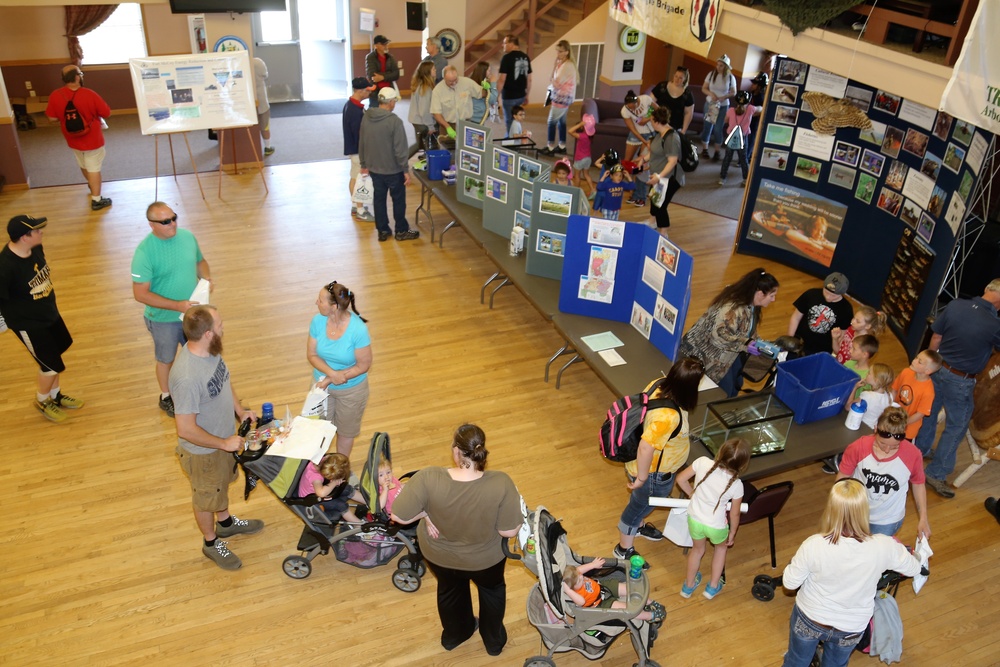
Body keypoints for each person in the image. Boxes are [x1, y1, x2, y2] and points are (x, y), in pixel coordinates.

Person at [391, 424, 523, 656]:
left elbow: (398, 516)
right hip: (486, 561)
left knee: (450, 592)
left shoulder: (428, 477)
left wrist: (425, 514)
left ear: (455, 451)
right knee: (492, 592)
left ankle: (455, 635)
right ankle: (493, 643)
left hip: (441, 558)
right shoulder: (501, 482)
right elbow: (509, 532)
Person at [780, 479, 921, 667]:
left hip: (810, 619)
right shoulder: (884, 545)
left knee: (796, 661)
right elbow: (914, 568)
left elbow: (789, 584)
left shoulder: (814, 544)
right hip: (851, 627)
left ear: (831, 508)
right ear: (864, 509)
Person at [170, 305, 263, 571]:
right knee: (206, 497)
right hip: (204, 453)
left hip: (223, 441)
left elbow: (224, 380)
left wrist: (240, 410)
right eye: (220, 324)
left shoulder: (210, 350)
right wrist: (223, 443)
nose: (224, 327)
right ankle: (210, 542)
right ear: (208, 333)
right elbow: (185, 429)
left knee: (221, 487)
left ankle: (225, 524)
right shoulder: (187, 376)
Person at [613, 357, 705, 566]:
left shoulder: (658, 383)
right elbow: (646, 447)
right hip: (652, 474)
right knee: (637, 507)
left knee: (640, 503)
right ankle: (623, 548)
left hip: (644, 467)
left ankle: (637, 526)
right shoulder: (668, 417)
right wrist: (642, 479)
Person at [914, 279, 1000, 499]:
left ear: (986, 288)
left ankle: (921, 449)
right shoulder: (994, 325)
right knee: (957, 426)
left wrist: (931, 365)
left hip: (938, 368)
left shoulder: (955, 305)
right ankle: (936, 473)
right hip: (961, 381)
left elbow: (936, 336)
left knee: (929, 412)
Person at [0, 214, 84, 423]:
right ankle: (42, 400)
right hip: (28, 324)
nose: (41, 232)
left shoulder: (36, 249)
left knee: (57, 354)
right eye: (37, 230)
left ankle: (55, 396)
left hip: (49, 314)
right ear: (24, 237)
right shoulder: (5, 266)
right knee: (50, 365)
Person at [131, 202, 212, 417]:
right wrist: (177, 306)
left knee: (199, 353)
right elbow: (140, 294)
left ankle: (200, 391)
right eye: (166, 221)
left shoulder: (187, 237)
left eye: (174, 217)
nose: (173, 224)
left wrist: (206, 277)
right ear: (152, 225)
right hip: (163, 319)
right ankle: (166, 396)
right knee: (166, 358)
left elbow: (200, 261)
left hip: (193, 314)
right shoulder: (144, 253)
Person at [678, 268, 780, 396]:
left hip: (730, 352)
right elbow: (718, 336)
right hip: (706, 355)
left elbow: (747, 329)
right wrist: (746, 344)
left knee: (736, 386)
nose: (773, 300)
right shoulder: (731, 308)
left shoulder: (752, 305)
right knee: (724, 393)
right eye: (772, 295)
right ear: (760, 293)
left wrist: (760, 344)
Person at [836, 406, 931, 539]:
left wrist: (923, 518)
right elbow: (843, 477)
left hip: (888, 520)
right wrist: (839, 508)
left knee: (875, 556)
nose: (887, 450)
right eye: (882, 444)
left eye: (894, 446)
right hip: (856, 513)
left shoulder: (913, 454)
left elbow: (918, 484)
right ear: (875, 429)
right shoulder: (858, 447)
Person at [675, 438, 750, 600]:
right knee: (721, 549)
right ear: (743, 464)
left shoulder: (702, 462)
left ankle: (688, 587)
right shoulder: (737, 485)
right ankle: (712, 588)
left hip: (695, 519)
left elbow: (680, 479)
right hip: (716, 526)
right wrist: (732, 533)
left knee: (697, 550)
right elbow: (735, 514)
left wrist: (691, 493)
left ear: (720, 451)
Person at [307, 281, 373, 457]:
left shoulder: (358, 329)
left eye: (320, 300)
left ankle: (340, 470)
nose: (316, 303)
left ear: (334, 306)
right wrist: (331, 375)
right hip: (322, 388)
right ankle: (317, 469)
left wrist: (331, 378)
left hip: (352, 392)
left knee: (345, 432)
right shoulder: (317, 321)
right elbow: (312, 355)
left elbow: (363, 365)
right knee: (319, 430)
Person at [44, 65, 112, 211]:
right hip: (92, 138)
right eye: (81, 73)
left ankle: (91, 185)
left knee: (83, 163)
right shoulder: (90, 94)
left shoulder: (56, 95)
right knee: (94, 167)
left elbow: (51, 118)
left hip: (72, 138)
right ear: (77, 77)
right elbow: (106, 113)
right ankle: (97, 200)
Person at [359, 88, 420, 242]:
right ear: (391, 102)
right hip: (393, 170)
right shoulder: (395, 121)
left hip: (374, 169)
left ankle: (383, 231)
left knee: (379, 200)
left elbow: (362, 142)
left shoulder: (367, 117)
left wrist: (364, 163)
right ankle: (401, 230)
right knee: (398, 200)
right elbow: (400, 149)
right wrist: (405, 170)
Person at [561, 558, 666, 622]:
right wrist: (568, 591)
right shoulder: (574, 593)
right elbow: (582, 602)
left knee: (629, 588)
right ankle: (650, 616)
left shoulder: (576, 575)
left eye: (581, 575)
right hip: (600, 604)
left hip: (602, 587)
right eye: (579, 580)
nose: (582, 577)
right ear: (571, 588)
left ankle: (650, 602)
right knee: (627, 609)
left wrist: (593, 565)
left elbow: (579, 570)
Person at [787, 272, 854, 357]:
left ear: (842, 293)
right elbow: (796, 318)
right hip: (799, 343)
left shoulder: (846, 309)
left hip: (821, 351)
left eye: (833, 295)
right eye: (826, 292)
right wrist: (790, 339)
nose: (828, 297)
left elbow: (843, 334)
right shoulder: (811, 294)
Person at [646, 106, 684, 235]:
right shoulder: (660, 134)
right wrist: (643, 159)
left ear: (657, 122)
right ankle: (652, 222)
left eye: (651, 120)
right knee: (654, 199)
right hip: (658, 177)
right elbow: (656, 152)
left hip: (669, 178)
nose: (650, 122)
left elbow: (672, 161)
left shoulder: (671, 138)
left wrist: (659, 176)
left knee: (660, 205)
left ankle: (664, 232)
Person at [297, 452, 364, 524]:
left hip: (318, 489)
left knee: (347, 489)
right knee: (341, 505)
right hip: (313, 500)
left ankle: (371, 503)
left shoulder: (323, 460)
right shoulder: (315, 477)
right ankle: (358, 525)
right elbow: (321, 493)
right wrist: (334, 482)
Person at [891, 349, 942, 441]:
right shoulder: (906, 372)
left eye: (919, 362)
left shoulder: (928, 391)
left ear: (927, 371)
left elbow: (920, 414)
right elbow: (894, 390)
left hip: (907, 429)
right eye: (916, 358)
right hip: (893, 418)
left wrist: (903, 423)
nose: (914, 361)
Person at [430, 66, 485, 151]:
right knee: (449, 153)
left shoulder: (467, 83)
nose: (454, 83)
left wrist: (487, 87)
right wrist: (447, 127)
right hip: (447, 126)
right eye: (450, 81)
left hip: (466, 124)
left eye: (455, 79)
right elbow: (436, 113)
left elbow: (482, 93)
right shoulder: (437, 91)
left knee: (470, 152)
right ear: (444, 78)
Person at [344, 77, 374, 222]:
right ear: (361, 91)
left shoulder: (350, 105)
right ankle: (361, 210)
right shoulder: (355, 111)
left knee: (354, 176)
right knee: (360, 179)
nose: (369, 93)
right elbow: (359, 134)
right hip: (358, 150)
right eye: (368, 90)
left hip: (353, 149)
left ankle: (356, 205)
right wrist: (364, 155)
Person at [540, 40, 577, 156]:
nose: (558, 54)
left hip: (562, 98)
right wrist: (555, 66)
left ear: (567, 52)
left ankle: (550, 148)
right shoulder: (563, 64)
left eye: (561, 51)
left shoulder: (567, 66)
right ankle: (562, 146)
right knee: (562, 122)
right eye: (557, 51)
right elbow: (554, 79)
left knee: (551, 121)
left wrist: (552, 78)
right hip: (563, 97)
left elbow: (556, 83)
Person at [699, 54, 737, 161]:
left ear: (726, 67)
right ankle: (705, 150)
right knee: (708, 127)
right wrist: (711, 94)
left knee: (718, 129)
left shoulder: (730, 77)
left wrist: (724, 97)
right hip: (711, 104)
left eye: (721, 66)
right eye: (718, 65)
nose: (718, 67)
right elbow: (704, 88)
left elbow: (734, 92)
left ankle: (717, 151)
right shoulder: (711, 74)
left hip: (723, 106)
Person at [718, 90, 755, 187]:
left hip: (731, 136)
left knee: (727, 158)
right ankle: (745, 179)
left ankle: (722, 177)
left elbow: (726, 120)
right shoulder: (750, 109)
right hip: (743, 137)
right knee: (743, 159)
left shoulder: (730, 110)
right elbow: (760, 109)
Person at [497, 34, 532, 134]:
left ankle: (512, 142)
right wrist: (527, 95)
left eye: (504, 43)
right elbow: (529, 79)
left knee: (509, 121)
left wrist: (496, 96)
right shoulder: (526, 57)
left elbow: (502, 80)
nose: (502, 45)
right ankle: (515, 137)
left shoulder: (506, 58)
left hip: (509, 96)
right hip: (521, 95)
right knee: (517, 120)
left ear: (511, 44)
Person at [651, 66, 695, 135]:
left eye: (680, 78)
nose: (677, 79)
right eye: (676, 76)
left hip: (674, 127)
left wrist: (683, 130)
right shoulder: (662, 86)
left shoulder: (687, 94)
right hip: (657, 123)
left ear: (685, 79)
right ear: (673, 76)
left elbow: (688, 113)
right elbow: (650, 101)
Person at [408, 61, 437, 159]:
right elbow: (424, 110)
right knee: (424, 144)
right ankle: (402, 160)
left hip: (416, 119)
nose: (435, 70)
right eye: (433, 69)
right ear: (428, 72)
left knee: (421, 142)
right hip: (421, 121)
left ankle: (425, 156)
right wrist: (430, 126)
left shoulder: (420, 84)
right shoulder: (425, 88)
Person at [620, 89, 656, 164]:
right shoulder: (624, 110)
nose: (632, 109)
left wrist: (647, 119)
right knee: (627, 160)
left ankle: (636, 175)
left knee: (642, 160)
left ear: (637, 101)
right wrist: (645, 142)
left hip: (650, 132)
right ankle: (623, 174)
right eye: (630, 108)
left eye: (633, 107)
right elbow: (632, 129)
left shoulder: (646, 99)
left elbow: (659, 110)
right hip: (636, 134)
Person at [855, 362, 894, 429]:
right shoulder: (889, 396)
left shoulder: (867, 395)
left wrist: (855, 388)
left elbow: (848, 406)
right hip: (873, 428)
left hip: (861, 426)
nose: (866, 374)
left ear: (876, 380)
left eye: (869, 373)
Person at [365, 35, 399, 107]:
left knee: (387, 114)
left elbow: (396, 74)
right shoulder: (370, 57)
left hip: (389, 90)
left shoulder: (390, 57)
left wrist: (382, 77)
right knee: (374, 113)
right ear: (376, 45)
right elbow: (372, 75)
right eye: (383, 44)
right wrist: (389, 74)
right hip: (376, 92)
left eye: (386, 44)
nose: (386, 46)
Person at [567, 113, 596, 197]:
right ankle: (593, 190)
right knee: (586, 174)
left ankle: (576, 192)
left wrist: (580, 124)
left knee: (577, 176)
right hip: (588, 158)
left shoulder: (582, 136)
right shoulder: (590, 136)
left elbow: (570, 131)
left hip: (580, 159)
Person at [252, 56, 274, 156]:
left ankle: (253, 149)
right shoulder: (258, 62)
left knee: (252, 127)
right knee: (265, 126)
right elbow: (265, 75)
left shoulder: (239, 63)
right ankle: (267, 147)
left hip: (249, 100)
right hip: (261, 99)